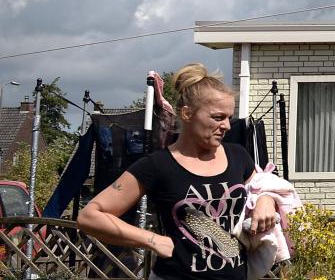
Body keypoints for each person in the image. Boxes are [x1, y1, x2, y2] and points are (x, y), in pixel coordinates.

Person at [79, 63, 278, 280]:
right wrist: (152, 240)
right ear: (187, 114)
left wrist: (265, 200)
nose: (227, 126)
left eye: (229, 118)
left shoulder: (238, 155)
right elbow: (90, 217)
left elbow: (265, 187)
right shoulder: (157, 165)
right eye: (218, 117)